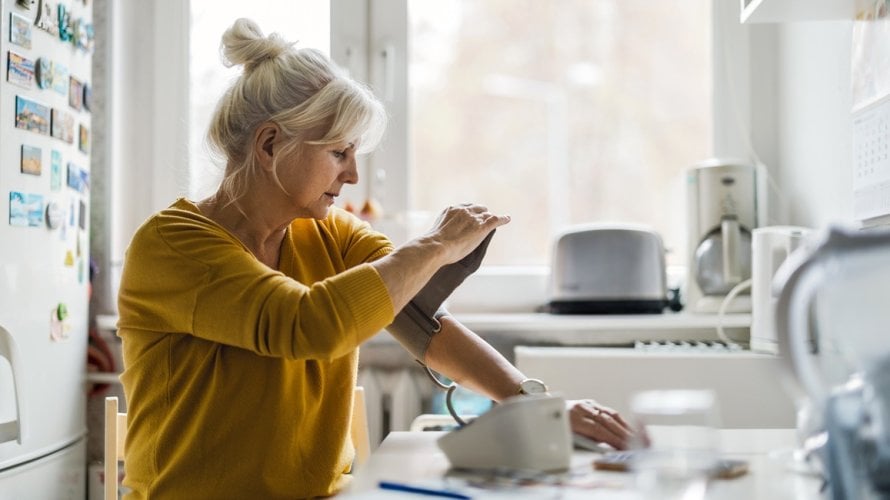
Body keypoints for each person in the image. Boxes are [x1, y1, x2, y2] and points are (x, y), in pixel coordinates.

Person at [117, 18, 634, 499]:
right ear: (270, 144)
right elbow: (306, 325)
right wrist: (434, 246)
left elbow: (415, 315)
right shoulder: (173, 246)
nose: (352, 177)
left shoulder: (332, 234)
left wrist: (533, 405)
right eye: (339, 153)